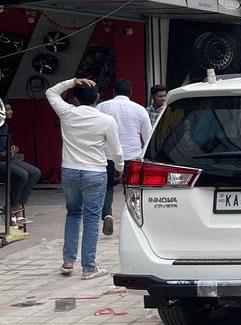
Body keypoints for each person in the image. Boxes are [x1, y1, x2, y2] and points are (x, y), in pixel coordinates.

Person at [46, 77, 123, 280]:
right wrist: (120, 168)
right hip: (94, 173)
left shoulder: (67, 113)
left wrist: (72, 81)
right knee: (91, 218)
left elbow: (51, 92)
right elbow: (116, 151)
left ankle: (68, 261)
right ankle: (88, 267)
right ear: (98, 97)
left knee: (73, 214)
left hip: (69, 171)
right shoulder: (106, 120)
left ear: (76, 99)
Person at [97, 79, 152, 235]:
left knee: (107, 187)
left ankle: (107, 214)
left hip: (107, 155)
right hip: (132, 156)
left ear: (113, 92)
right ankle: (133, 221)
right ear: (131, 92)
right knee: (132, 189)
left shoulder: (102, 107)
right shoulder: (140, 110)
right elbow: (147, 136)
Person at [0, 102, 41, 223]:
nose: (11, 111)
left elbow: (9, 145)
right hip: (2, 160)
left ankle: (15, 206)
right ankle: (15, 209)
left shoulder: (5, 126)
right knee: (22, 175)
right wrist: (5, 153)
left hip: (7, 158)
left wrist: (13, 148)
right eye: (7, 109)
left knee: (35, 172)